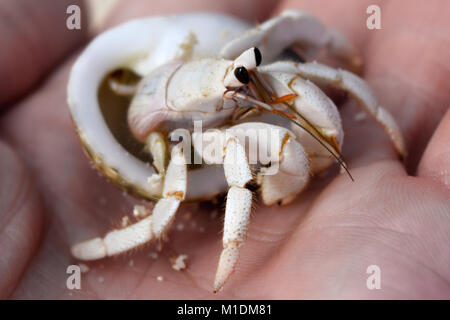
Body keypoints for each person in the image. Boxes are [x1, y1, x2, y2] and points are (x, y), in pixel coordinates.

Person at [0, 0, 449, 299]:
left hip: (203, 93)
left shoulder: (237, 75)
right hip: (168, 133)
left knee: (288, 75)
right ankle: (111, 246)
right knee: (225, 161)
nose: (247, 80)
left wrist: (333, 62)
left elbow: (290, 44)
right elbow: (175, 192)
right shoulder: (187, 128)